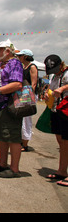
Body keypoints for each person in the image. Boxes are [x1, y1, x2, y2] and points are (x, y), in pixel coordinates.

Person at [0, 39, 24, 178]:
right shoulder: (0, 65)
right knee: (3, 136)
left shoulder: (15, 63)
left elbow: (17, 84)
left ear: (7, 51)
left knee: (12, 137)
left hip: (10, 105)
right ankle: (2, 164)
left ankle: (14, 169)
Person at [43, 55, 68, 187]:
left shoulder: (66, 74)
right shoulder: (54, 77)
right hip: (56, 110)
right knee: (62, 142)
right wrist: (47, 93)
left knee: (66, 142)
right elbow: (50, 88)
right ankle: (62, 170)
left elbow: (62, 88)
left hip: (66, 110)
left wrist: (63, 88)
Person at [16, 49, 38, 152]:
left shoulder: (32, 67)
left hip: (28, 95)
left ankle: (25, 143)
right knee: (21, 118)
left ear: (25, 56)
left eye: (20, 56)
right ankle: (22, 139)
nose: (19, 57)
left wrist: (29, 97)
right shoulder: (23, 67)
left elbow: (33, 83)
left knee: (26, 119)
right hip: (22, 94)